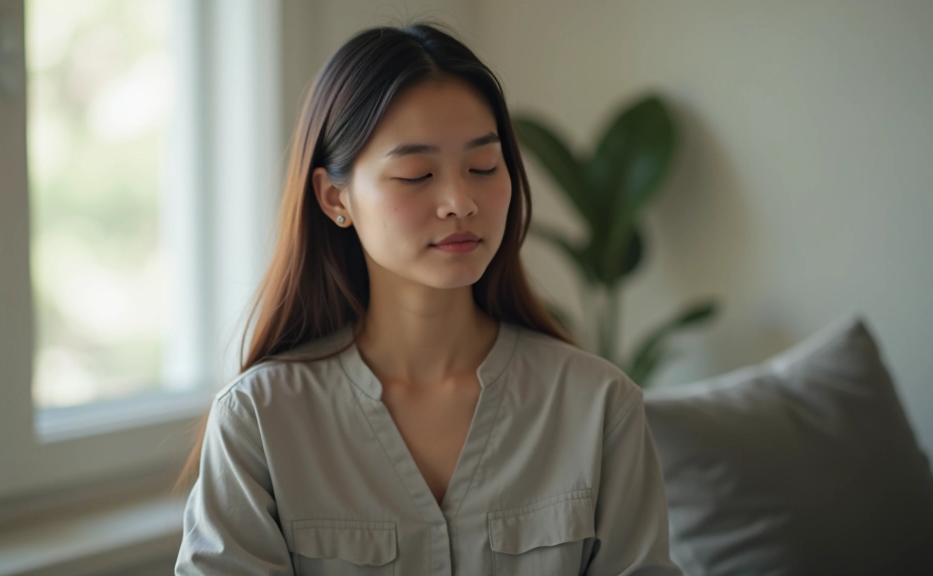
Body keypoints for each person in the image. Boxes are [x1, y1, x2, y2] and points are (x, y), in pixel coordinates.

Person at [173, 21, 681, 576]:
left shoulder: (600, 407)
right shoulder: (259, 421)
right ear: (334, 197)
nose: (460, 201)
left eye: (483, 167)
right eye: (416, 174)